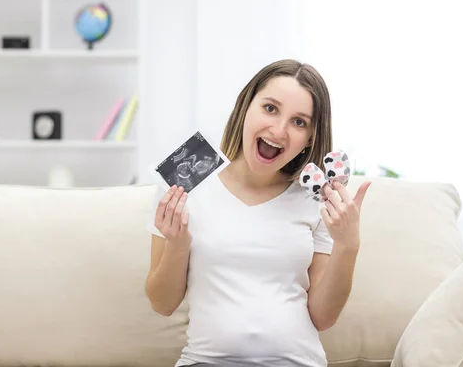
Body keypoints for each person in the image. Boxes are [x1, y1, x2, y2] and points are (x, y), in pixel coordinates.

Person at [144, 59, 372, 367]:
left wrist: (348, 246)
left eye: (299, 122)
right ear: (245, 106)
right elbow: (162, 303)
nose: (279, 130)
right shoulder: (188, 176)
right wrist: (178, 244)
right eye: (270, 108)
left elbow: (323, 317)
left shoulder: (315, 197)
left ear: (309, 139)